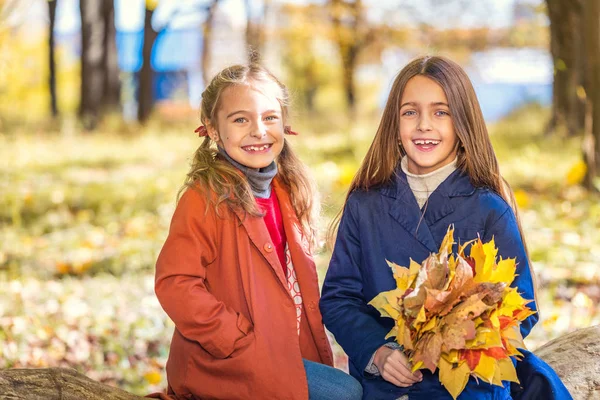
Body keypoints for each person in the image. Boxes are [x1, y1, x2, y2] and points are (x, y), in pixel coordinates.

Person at [319, 56, 571, 400]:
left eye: (441, 112)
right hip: (390, 384)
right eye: (410, 112)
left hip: (471, 386)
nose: (424, 125)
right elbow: (339, 298)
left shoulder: (488, 208)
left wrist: (455, 344)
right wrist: (377, 352)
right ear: (394, 124)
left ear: (462, 123)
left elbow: (521, 305)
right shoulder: (366, 204)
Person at [150, 64, 362, 400]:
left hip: (282, 352)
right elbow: (175, 283)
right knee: (346, 393)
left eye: (269, 117)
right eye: (240, 119)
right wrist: (233, 337)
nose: (258, 130)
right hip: (227, 360)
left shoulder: (287, 190)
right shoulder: (204, 198)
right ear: (213, 130)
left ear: (284, 124)